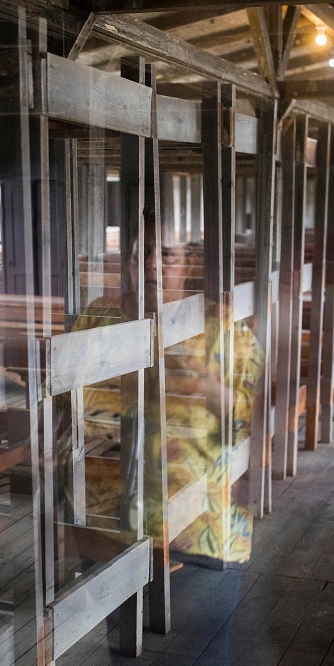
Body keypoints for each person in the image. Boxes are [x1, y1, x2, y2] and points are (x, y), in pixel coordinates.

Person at [72, 235, 263, 566]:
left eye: (166, 255)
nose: (151, 263)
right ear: (128, 263)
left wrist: (211, 389)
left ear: (189, 264)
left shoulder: (221, 326)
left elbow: (254, 418)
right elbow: (64, 397)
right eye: (141, 253)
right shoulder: (97, 318)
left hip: (199, 526)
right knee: (118, 608)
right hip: (105, 513)